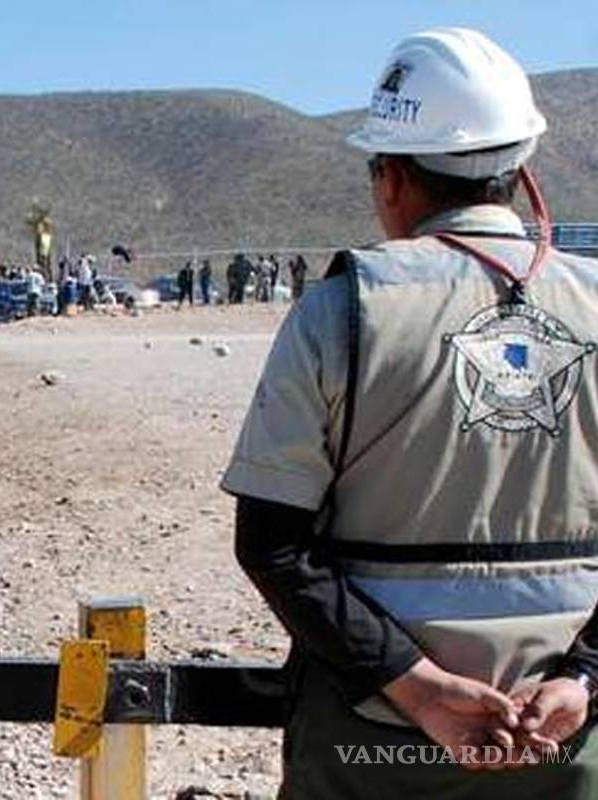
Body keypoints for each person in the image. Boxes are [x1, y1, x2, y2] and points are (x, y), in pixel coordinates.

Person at [223, 28, 598, 797]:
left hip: (369, 738)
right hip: (561, 744)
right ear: (521, 170)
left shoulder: (343, 309)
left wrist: (419, 688)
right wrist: (583, 679)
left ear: (392, 176)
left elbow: (273, 546)